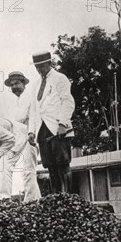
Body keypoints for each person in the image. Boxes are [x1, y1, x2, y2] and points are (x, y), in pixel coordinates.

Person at [28, 51, 75, 193]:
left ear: (49, 63)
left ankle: (68, 197)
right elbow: (34, 109)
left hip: (57, 127)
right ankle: (56, 197)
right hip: (42, 129)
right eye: (37, 67)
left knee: (63, 163)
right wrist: (31, 131)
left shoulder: (60, 78)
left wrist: (62, 124)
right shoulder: (36, 85)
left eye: (42, 66)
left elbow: (68, 102)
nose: (39, 70)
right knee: (49, 165)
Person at [3, 71, 41, 201]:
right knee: (6, 164)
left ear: (23, 83)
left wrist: (32, 133)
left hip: (29, 135)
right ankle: (4, 198)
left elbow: (33, 116)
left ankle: (31, 200)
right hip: (15, 136)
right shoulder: (14, 102)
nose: (14, 87)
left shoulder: (31, 97)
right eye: (12, 85)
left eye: (17, 83)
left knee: (28, 169)